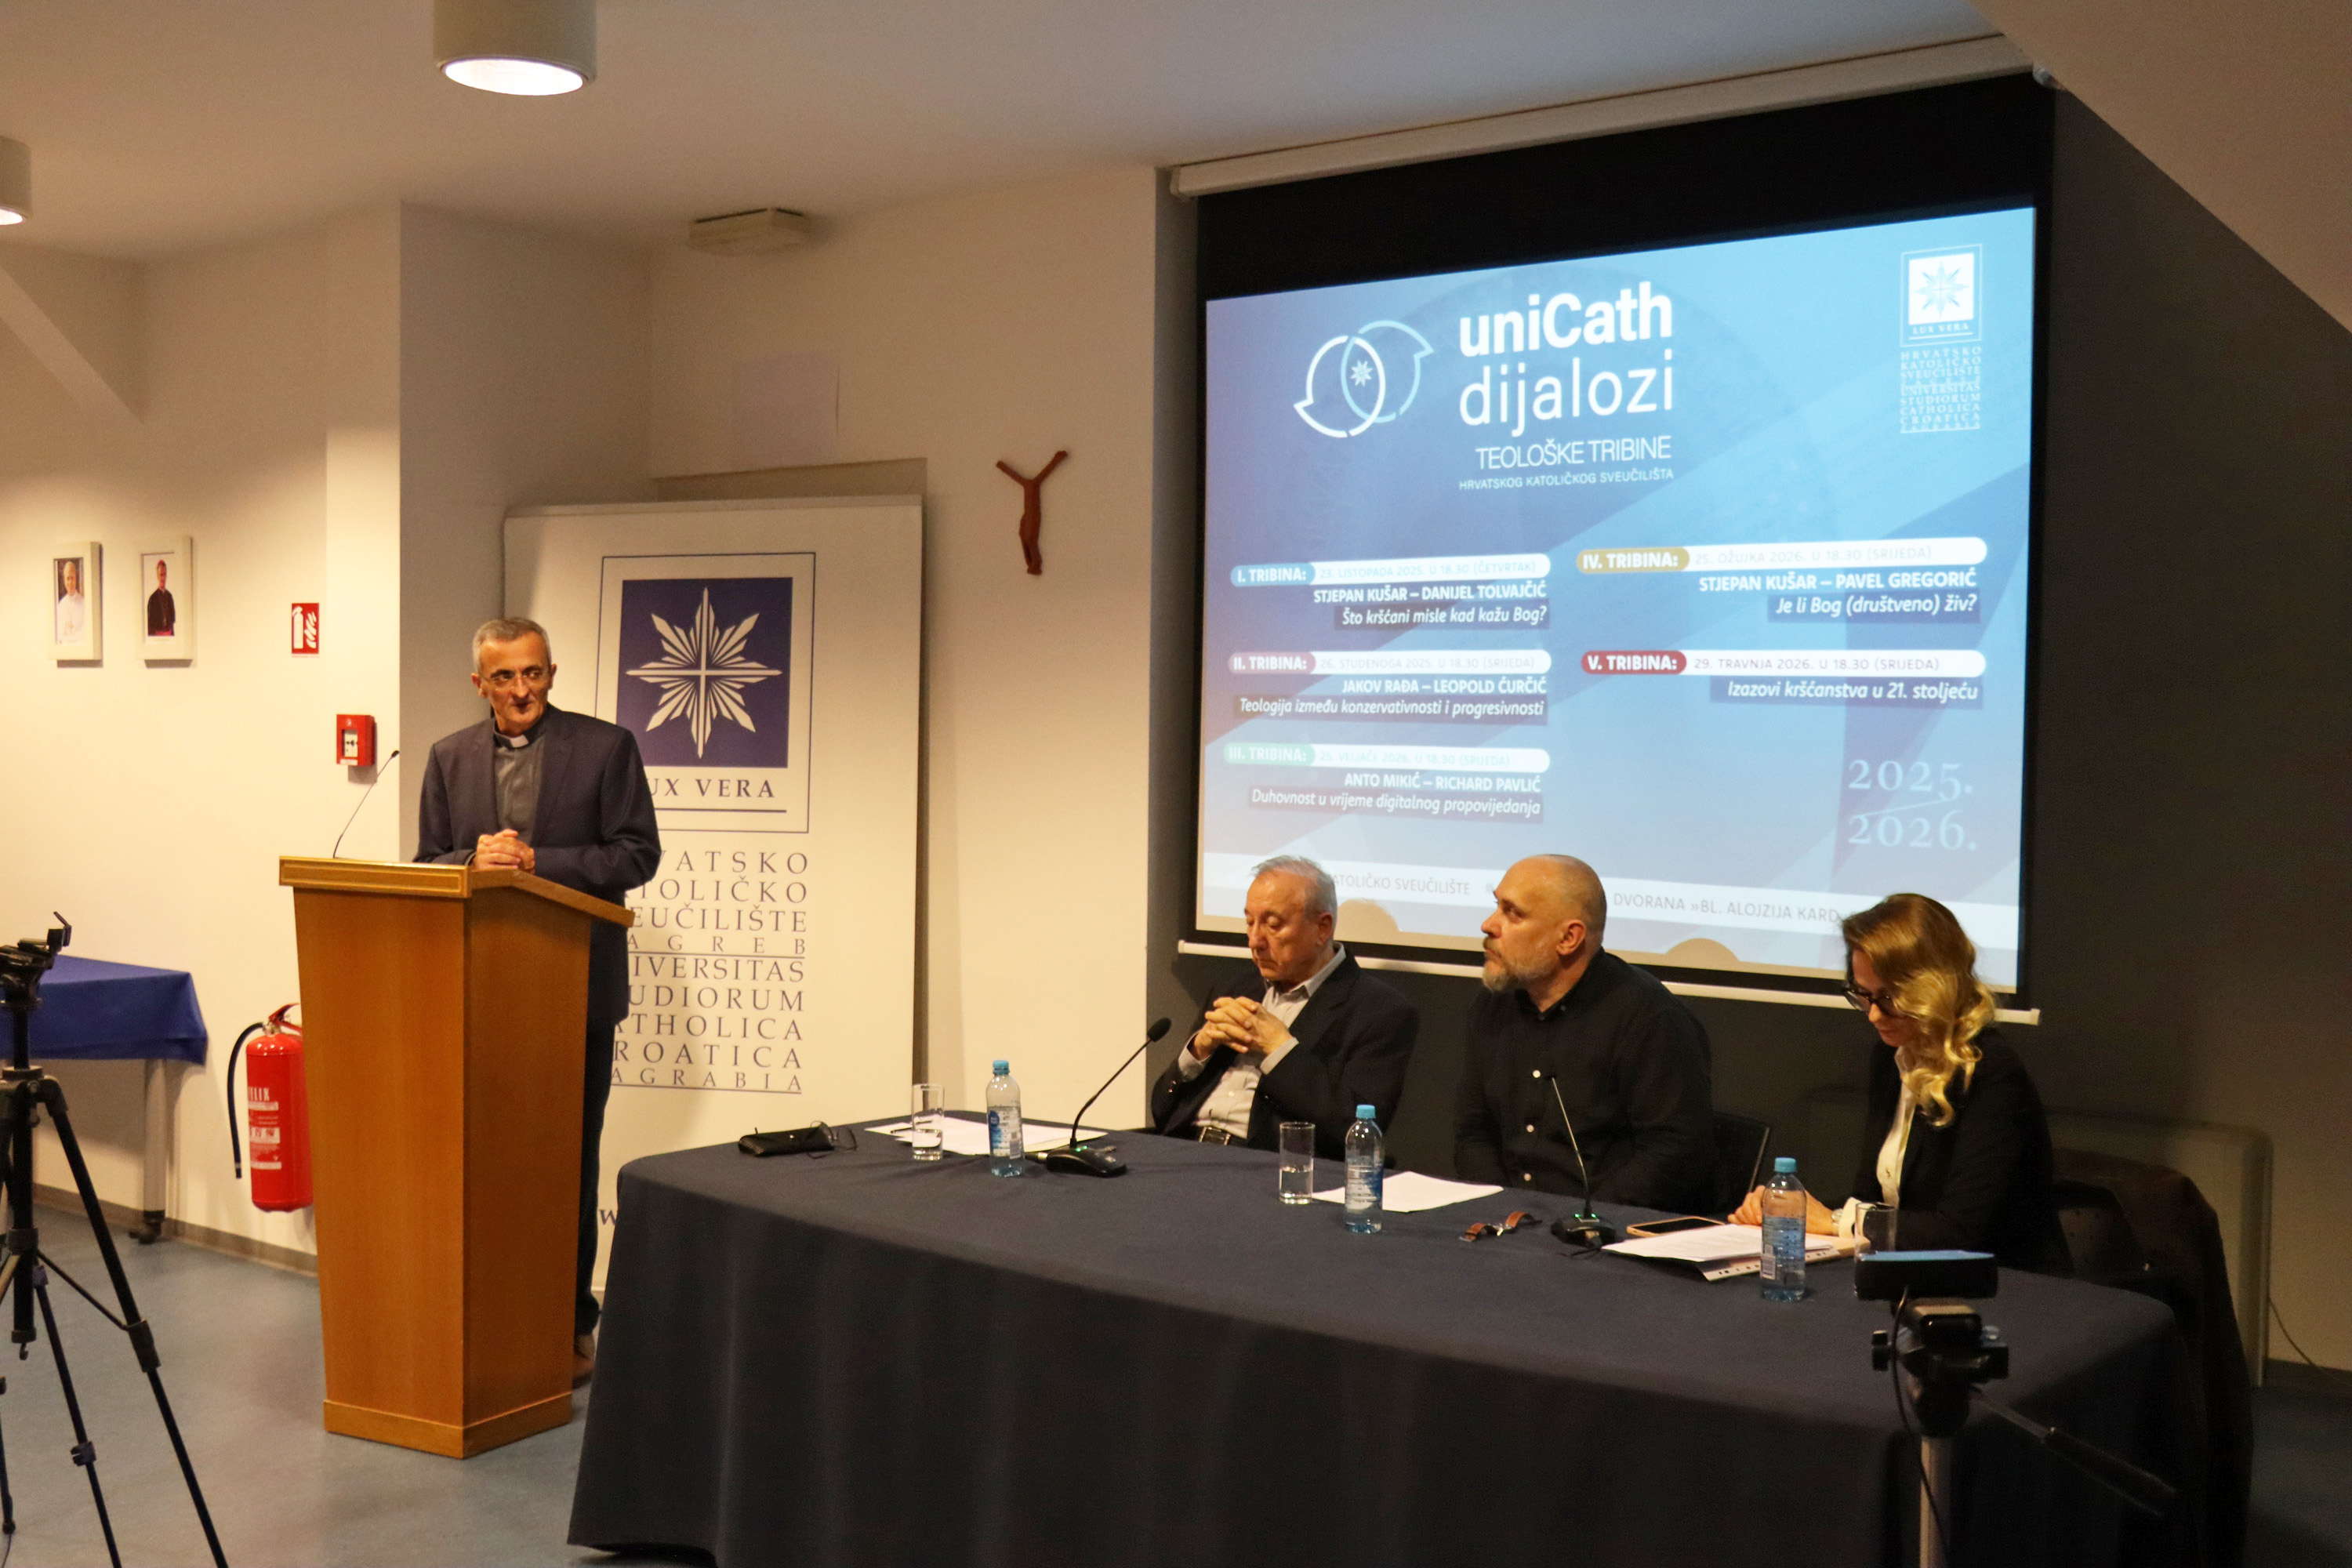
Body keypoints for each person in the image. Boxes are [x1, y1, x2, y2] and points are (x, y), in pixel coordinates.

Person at [416, 617, 661, 1381]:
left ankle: (569, 1322)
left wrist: (535, 861)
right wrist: (472, 857)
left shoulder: (607, 747)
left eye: (533, 673)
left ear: (551, 672)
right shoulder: (447, 757)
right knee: (482, 1167)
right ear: (478, 684)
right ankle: (487, 1319)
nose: (521, 690)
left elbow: (637, 854)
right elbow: (427, 861)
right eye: (504, 677)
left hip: (574, 990)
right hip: (477, 998)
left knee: (567, 1165)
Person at [1730, 893, 2067, 1272]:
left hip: (2006, 1284)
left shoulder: (1993, 1074)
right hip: (1908, 1272)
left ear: (1933, 989)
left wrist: (1835, 1220)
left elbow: (1959, 1232)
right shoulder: (1891, 1058)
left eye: (1888, 998)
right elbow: (1872, 1199)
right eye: (1863, 995)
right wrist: (1793, 1210)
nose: (1874, 1015)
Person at [1454, 855, 1715, 1211]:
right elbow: (1474, 1134)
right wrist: (1504, 1208)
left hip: (1609, 1227)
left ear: (1569, 938)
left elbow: (1674, 1152)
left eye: (1513, 913)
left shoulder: (1650, 1019)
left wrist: (1582, 1220)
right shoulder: (1493, 1006)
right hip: (1511, 1223)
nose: (1488, 925)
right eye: (1496, 906)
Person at [1151, 856, 1417, 1160]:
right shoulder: (1236, 989)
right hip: (1184, 1151)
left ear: (1322, 928)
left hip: (1266, 1166)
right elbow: (1161, 1110)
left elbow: (1355, 1130)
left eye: (1273, 925)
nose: (1255, 941)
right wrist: (1197, 1051)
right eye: (1249, 922)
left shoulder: (1380, 1011)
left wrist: (1280, 1050)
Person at [53, 558, 85, 644]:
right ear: (64, 581)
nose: (70, 583)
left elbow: (85, 634)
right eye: (68, 578)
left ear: (76, 580)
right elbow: (59, 636)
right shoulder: (61, 605)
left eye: (72, 578)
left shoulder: (84, 603)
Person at [146, 559, 176, 637]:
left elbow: (172, 624)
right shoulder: (152, 598)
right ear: (157, 576)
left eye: (164, 574)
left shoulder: (170, 597)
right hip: (157, 637)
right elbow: (150, 625)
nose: (163, 578)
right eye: (161, 575)